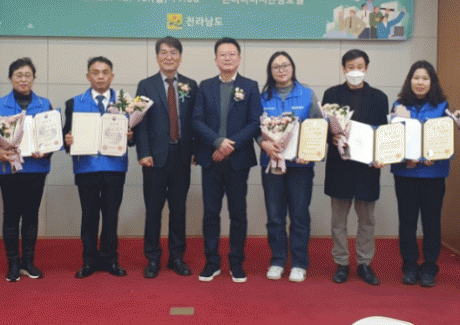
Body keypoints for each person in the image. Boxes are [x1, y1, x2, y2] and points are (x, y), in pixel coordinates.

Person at [193, 37, 262, 283]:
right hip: (211, 159)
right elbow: (197, 120)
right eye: (223, 54)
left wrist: (229, 145)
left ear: (239, 58)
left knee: (238, 213)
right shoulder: (205, 86)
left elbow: (254, 122)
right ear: (216, 60)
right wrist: (217, 142)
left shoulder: (250, 86)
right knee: (211, 213)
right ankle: (212, 262)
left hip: (238, 160)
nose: (227, 58)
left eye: (232, 54)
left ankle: (236, 262)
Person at [322, 49, 388, 286]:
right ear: (344, 69)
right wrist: (331, 137)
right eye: (351, 67)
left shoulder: (379, 97)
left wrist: (382, 155)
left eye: (360, 66)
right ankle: (341, 262)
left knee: (367, 220)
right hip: (339, 166)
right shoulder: (331, 94)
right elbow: (322, 129)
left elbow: (383, 133)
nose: (355, 71)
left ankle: (364, 263)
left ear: (366, 68)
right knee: (338, 221)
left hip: (367, 168)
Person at [64, 56, 133, 279]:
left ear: (112, 76)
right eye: (96, 72)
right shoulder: (74, 103)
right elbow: (66, 137)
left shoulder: (125, 103)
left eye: (105, 72)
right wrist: (68, 140)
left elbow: (133, 137)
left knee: (111, 216)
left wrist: (130, 136)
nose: (100, 77)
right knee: (89, 216)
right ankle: (89, 260)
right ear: (88, 76)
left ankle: (110, 259)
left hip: (115, 167)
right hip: (87, 168)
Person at [135, 37, 198, 278]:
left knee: (178, 209)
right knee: (153, 210)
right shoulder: (145, 85)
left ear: (180, 57)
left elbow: (196, 120)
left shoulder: (191, 85)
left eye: (173, 52)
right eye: (164, 52)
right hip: (154, 158)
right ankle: (152, 258)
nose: (168, 57)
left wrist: (195, 149)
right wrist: (143, 152)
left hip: (182, 155)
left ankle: (176, 257)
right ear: (157, 57)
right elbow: (139, 122)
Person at [0, 58, 53, 282]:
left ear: (33, 78)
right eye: (18, 75)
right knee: (11, 215)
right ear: (10, 78)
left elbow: (52, 136)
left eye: (27, 75)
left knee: (31, 215)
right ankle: (13, 264)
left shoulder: (44, 104)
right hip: (9, 169)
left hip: (36, 168)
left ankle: (28, 262)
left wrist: (47, 150)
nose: (23, 79)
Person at [258, 51, 322, 283]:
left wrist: (309, 152)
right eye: (276, 66)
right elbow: (254, 127)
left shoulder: (307, 94)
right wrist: (263, 143)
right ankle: (277, 260)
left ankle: (299, 263)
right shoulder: (262, 97)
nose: (281, 70)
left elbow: (318, 127)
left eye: (285, 65)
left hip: (300, 167)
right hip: (272, 164)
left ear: (292, 68)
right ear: (270, 71)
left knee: (299, 215)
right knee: (275, 216)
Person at [390, 60, 449, 287]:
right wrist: (404, 157)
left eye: (425, 78)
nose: (420, 82)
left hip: (433, 174)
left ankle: (430, 267)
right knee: (407, 222)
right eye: (416, 78)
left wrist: (437, 154)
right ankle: (410, 265)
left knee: (432, 223)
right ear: (410, 80)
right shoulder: (399, 105)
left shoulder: (441, 106)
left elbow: (446, 139)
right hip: (406, 174)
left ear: (432, 82)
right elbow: (392, 139)